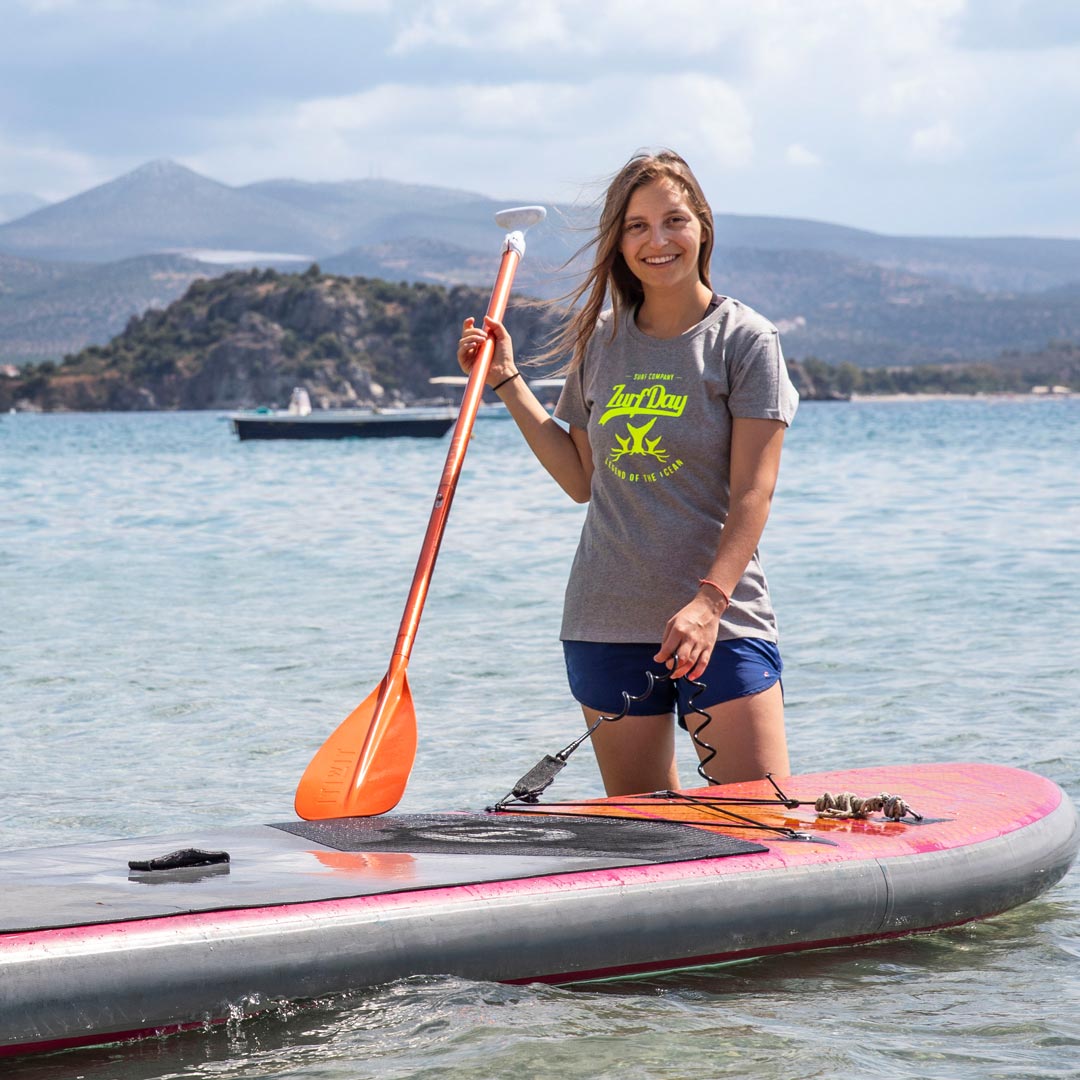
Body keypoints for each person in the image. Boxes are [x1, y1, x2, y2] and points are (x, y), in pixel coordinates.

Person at [457, 149, 798, 797]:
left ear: (701, 224)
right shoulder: (603, 342)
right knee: (646, 838)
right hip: (604, 621)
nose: (657, 240)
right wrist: (505, 380)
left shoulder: (744, 340)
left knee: (767, 825)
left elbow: (756, 492)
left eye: (672, 220)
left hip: (718, 623)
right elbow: (580, 479)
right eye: (636, 226)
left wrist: (708, 603)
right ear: (618, 242)